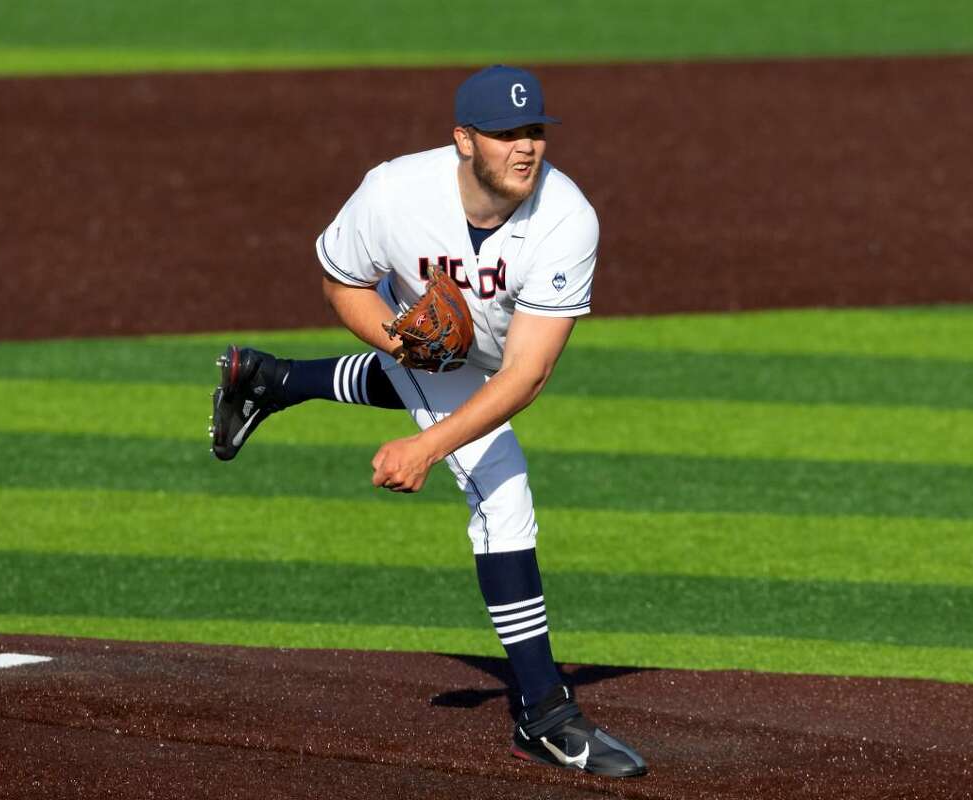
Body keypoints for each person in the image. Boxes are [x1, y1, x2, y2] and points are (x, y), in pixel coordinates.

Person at [209, 65, 647, 778]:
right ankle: (544, 713)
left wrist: (428, 444)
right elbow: (340, 280)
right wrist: (399, 343)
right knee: (501, 487)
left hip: (499, 357)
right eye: (506, 134)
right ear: (463, 140)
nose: (525, 147)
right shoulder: (394, 194)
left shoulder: (567, 218)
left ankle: (271, 380)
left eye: (534, 131)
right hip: (419, 324)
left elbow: (525, 375)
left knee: (454, 393)